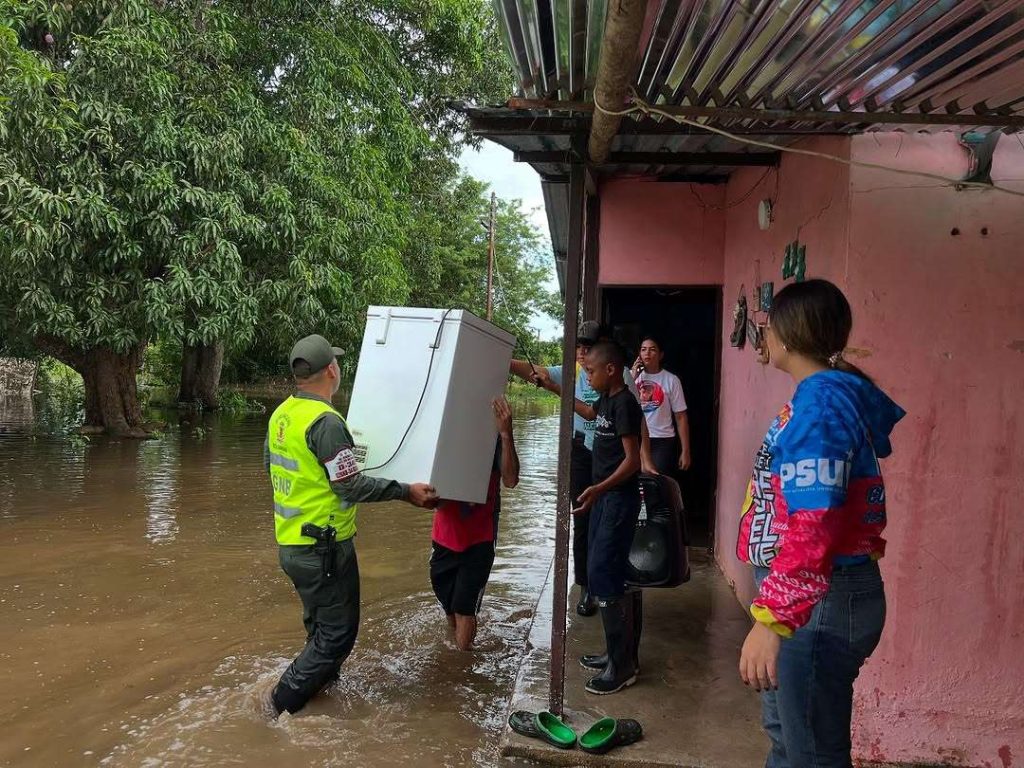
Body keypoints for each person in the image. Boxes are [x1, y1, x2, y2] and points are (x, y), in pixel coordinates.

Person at [735, 280, 905, 767]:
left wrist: (773, 619)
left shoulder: (821, 407)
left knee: (811, 755)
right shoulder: (823, 397)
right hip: (813, 598)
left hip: (817, 604)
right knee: (787, 741)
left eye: (767, 328)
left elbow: (815, 522)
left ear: (788, 335)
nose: (763, 337)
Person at [262, 334, 439, 718]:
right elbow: (350, 486)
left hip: (293, 545)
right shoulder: (326, 422)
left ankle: (320, 698)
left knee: (320, 631)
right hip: (324, 548)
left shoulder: (282, 414)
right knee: (337, 636)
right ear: (331, 369)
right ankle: (277, 706)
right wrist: (406, 491)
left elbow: (272, 468)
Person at [509, 321, 653, 617]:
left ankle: (611, 591)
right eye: (579, 347)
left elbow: (635, 427)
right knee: (584, 524)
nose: (582, 354)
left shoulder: (621, 386)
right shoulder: (585, 378)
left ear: (607, 360)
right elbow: (586, 409)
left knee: (609, 535)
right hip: (587, 458)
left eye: (588, 348)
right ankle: (588, 585)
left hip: (612, 469)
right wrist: (509, 362)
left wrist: (645, 459)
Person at [571, 340, 643, 695]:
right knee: (603, 570)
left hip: (617, 499)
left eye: (591, 371)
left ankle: (623, 666)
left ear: (611, 370)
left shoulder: (625, 403)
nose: (587, 377)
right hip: (604, 498)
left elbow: (633, 461)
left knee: (603, 571)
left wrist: (599, 489)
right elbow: (588, 413)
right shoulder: (607, 401)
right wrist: (557, 389)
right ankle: (617, 655)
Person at [430, 397, 519, 651]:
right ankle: (458, 653)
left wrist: (506, 434)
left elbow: (511, 480)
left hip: (480, 536)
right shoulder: (444, 434)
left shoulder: (492, 436)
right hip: (445, 536)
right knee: (449, 604)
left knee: (464, 607)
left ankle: (461, 661)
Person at [630, 335, 691, 476]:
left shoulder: (671, 380)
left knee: (656, 481)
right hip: (636, 438)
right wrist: (633, 377)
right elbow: (621, 400)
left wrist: (685, 450)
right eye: (643, 349)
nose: (647, 353)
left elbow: (681, 417)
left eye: (652, 350)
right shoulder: (631, 377)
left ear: (661, 355)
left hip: (662, 439)